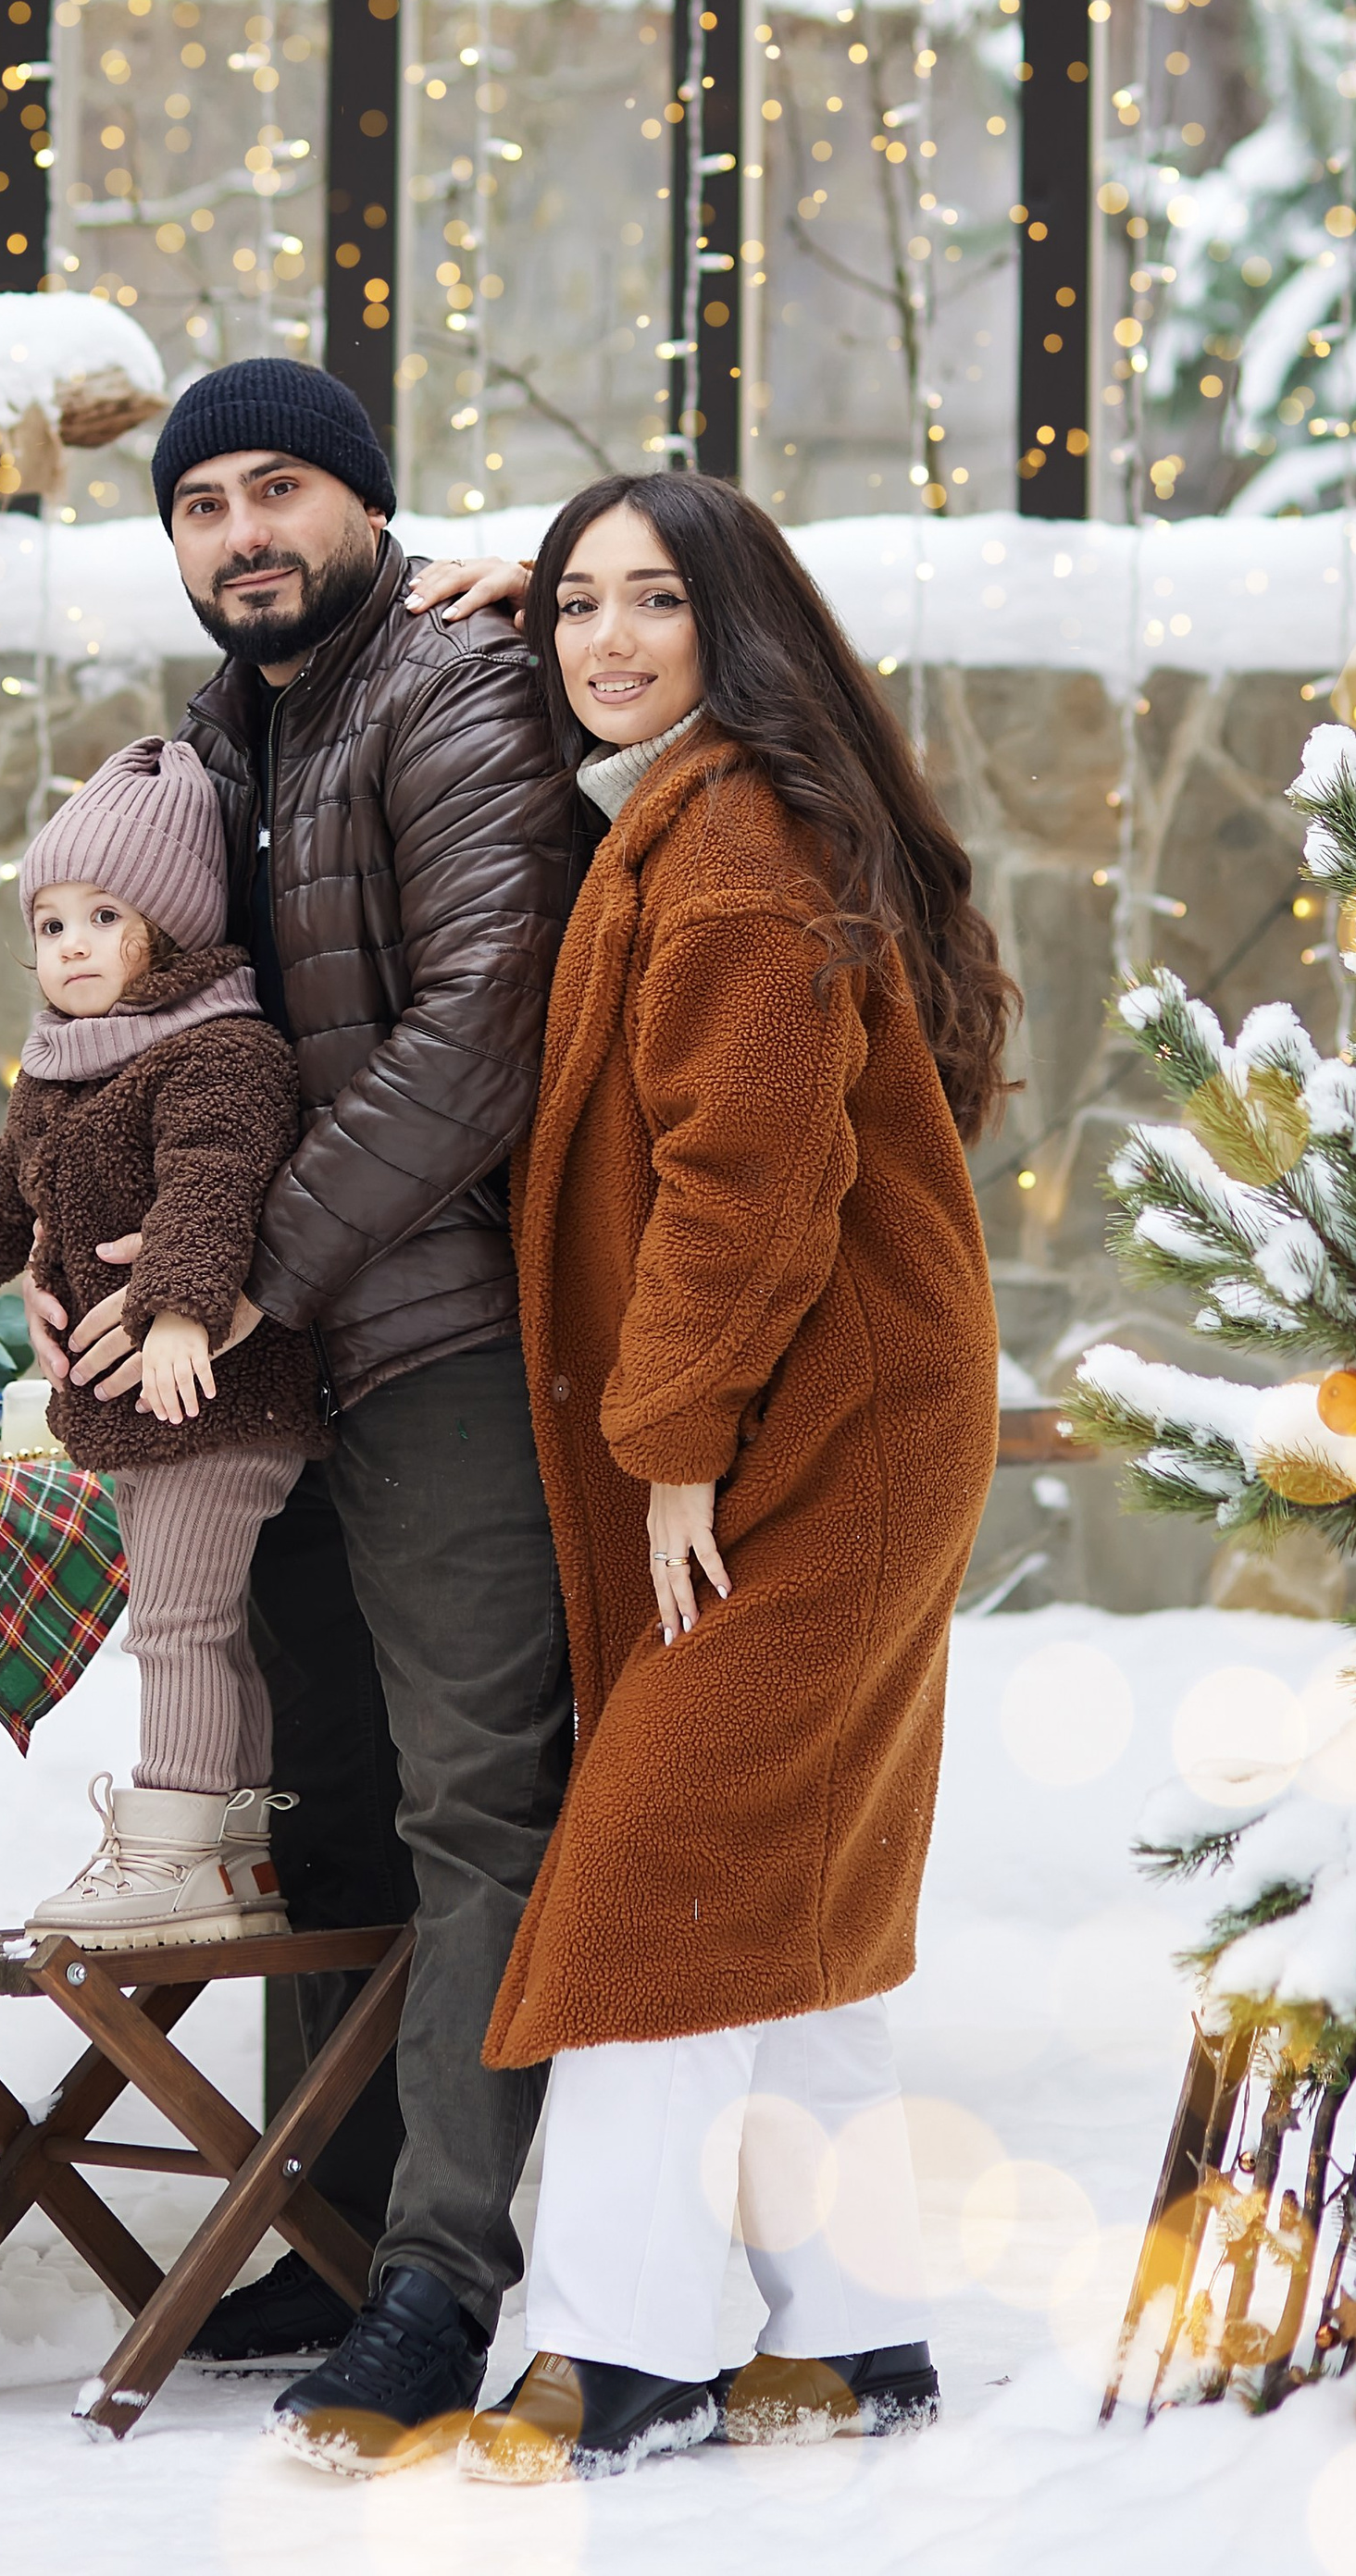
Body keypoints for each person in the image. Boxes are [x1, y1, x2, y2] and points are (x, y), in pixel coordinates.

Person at [432, 474, 1014, 2487]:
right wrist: (530, 571)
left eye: (652, 606)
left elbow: (744, 1178)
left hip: (808, 1438)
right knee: (794, 1879)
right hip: (852, 1412)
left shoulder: (735, 848)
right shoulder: (709, 806)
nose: (600, 643)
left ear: (735, 630)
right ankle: (847, 2336)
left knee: (657, 1876)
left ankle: (612, 2353)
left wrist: (672, 1439)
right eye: (572, 606)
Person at [29, 356, 577, 2471]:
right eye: (200, 505)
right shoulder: (219, 747)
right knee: (312, 1809)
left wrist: (255, 1267)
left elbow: (477, 1029)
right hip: (259, 1377)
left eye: (281, 489)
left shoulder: (448, 688)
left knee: (465, 1807)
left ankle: (442, 2267)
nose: (241, 529)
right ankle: (330, 2231)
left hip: (429, 1335)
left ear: (362, 506)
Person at [0, 737, 330, 1945]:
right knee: (215, 1626)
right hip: (147, 1410)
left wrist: (182, 1308)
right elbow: (0, 1195)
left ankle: (170, 1853)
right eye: (50, 921)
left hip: (213, 1397)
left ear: (167, 928)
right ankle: (234, 1858)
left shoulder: (222, 1050)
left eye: (103, 916)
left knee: (179, 1626)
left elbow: (217, 1183)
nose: (67, 943)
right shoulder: (59, 1072)